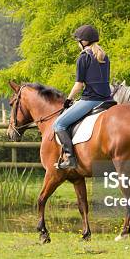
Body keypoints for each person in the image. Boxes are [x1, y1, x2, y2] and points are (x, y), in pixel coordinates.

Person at [52, 25, 112, 169]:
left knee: (58, 124)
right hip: (107, 99)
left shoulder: (83, 58)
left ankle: (70, 159)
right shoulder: (104, 56)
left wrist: (68, 100)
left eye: (77, 41)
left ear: (83, 42)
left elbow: (78, 85)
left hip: (91, 100)